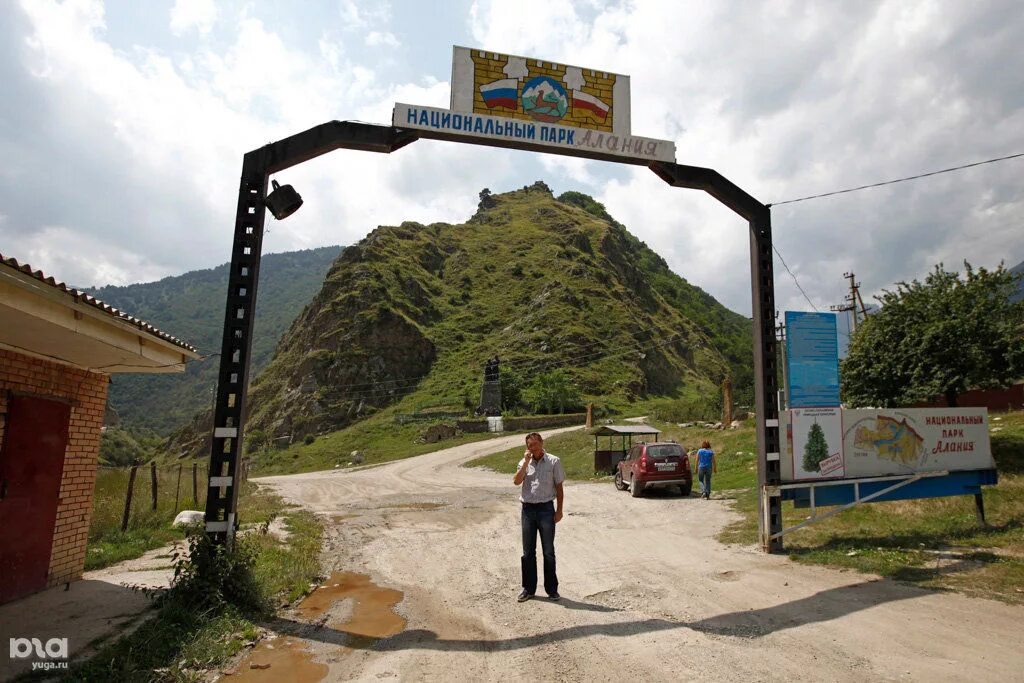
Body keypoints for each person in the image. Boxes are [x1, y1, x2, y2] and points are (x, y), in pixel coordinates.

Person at [512, 432, 565, 602]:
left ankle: (551, 589)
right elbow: (516, 481)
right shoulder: (524, 462)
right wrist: (526, 462)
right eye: (529, 445)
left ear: (542, 443)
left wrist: (559, 511)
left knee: (548, 552)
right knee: (528, 552)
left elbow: (559, 488)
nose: (532, 448)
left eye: (534, 444)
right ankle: (528, 589)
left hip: (546, 509)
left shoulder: (554, 461)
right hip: (528, 510)